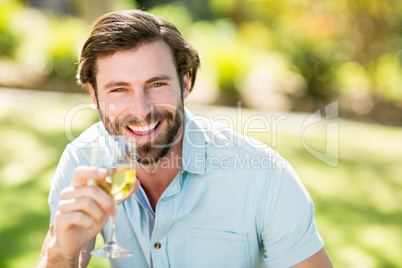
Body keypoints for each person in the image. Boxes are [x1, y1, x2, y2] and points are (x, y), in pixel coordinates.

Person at [36, 9, 333, 268]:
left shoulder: (264, 177)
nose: (141, 110)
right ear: (94, 95)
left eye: (156, 84)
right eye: (119, 89)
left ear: (185, 83)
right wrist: (60, 252)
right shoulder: (81, 163)